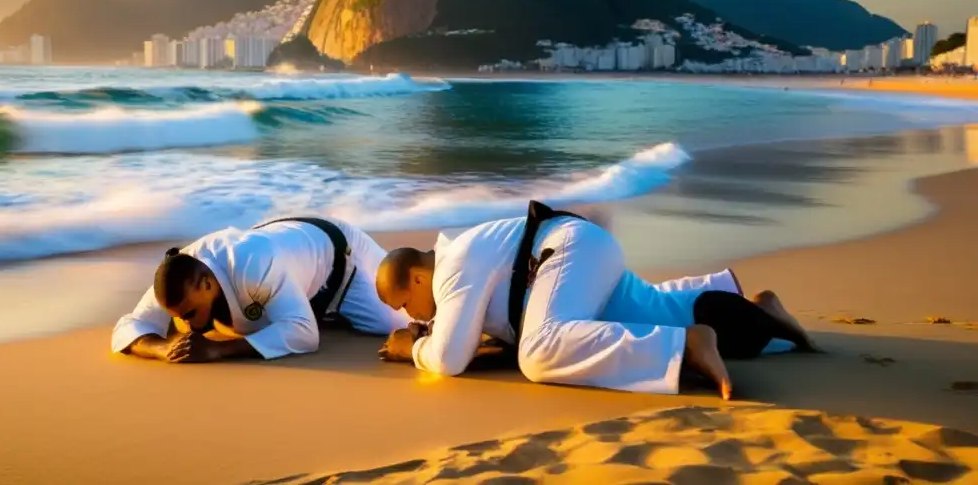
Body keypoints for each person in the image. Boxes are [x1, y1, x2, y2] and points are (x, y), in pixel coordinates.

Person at [374, 201, 816, 399]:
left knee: (540, 351)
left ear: (417, 278)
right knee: (661, 311)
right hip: (577, 256)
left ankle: (686, 348)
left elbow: (450, 357)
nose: (406, 314)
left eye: (403, 303)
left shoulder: (452, 268)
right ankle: (761, 316)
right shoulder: (461, 263)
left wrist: (410, 348)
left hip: (563, 250)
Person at [112, 216, 411, 363]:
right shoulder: (179, 273)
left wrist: (218, 349)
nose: (187, 324)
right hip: (282, 236)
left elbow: (305, 334)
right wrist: (162, 349)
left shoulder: (254, 265)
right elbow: (130, 325)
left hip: (341, 257)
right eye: (180, 317)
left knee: (400, 316)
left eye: (190, 314)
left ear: (207, 283)